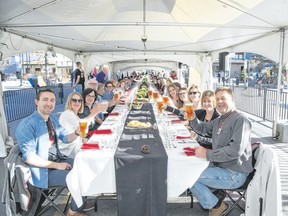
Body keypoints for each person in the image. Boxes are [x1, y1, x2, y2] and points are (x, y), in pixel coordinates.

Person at [15, 89, 91, 216]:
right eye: (45, 99)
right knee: (79, 178)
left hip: (57, 160)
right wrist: (57, 165)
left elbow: (66, 138)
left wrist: (77, 133)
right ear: (36, 102)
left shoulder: (52, 119)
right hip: (41, 171)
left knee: (87, 166)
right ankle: (73, 211)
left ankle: (79, 202)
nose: (49, 103)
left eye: (52, 100)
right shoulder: (27, 125)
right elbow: (30, 158)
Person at [188, 87, 253, 216]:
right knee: (189, 170)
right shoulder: (221, 119)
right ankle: (217, 196)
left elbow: (235, 151)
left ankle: (217, 205)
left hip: (235, 173)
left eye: (223, 98)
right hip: (221, 167)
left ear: (232, 99)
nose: (219, 101)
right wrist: (192, 117)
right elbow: (202, 128)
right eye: (217, 99)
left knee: (190, 177)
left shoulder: (241, 120)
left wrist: (207, 154)